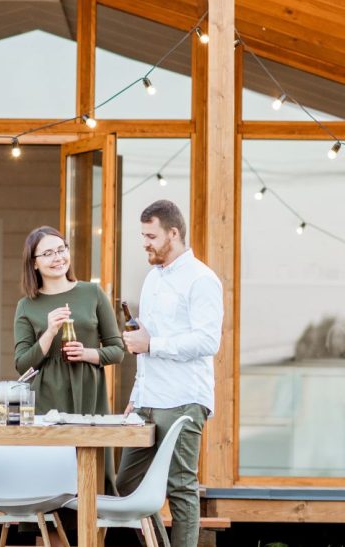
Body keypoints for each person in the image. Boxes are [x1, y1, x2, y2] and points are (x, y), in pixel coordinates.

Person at [117, 200, 223, 547]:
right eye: (143, 235)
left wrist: (152, 344)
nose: (145, 242)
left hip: (182, 399)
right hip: (148, 400)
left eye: (151, 235)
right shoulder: (151, 279)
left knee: (180, 487)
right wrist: (136, 396)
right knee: (127, 484)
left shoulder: (202, 279)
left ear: (173, 233)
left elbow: (208, 341)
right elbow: (145, 345)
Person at [14, 226, 124, 415]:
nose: (58, 257)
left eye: (61, 249)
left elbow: (117, 351)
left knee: (90, 444)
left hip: (89, 394)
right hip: (45, 402)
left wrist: (85, 353)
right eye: (48, 253)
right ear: (34, 263)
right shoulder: (26, 305)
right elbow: (22, 365)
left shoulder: (93, 293)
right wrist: (49, 333)